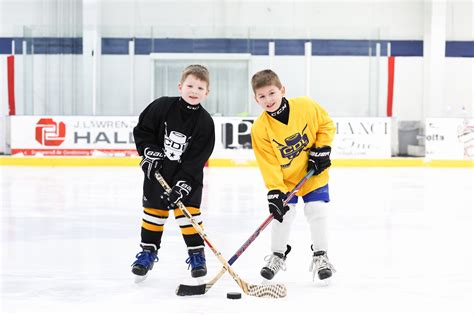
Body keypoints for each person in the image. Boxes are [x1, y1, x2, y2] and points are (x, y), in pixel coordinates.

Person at [131, 64, 215, 281]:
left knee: (188, 215)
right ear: (180, 86)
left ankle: (197, 254)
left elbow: (198, 157)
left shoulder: (205, 123)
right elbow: (143, 130)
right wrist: (149, 151)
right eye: (190, 85)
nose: (194, 91)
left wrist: (183, 184)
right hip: (158, 172)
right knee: (153, 213)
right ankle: (148, 252)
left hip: (188, 178)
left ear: (207, 93)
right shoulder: (162, 106)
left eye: (199, 87)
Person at [250, 69, 336, 282]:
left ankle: (321, 255)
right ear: (256, 99)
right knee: (283, 214)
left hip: (312, 172)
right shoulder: (260, 128)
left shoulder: (306, 106)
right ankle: (277, 255)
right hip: (286, 179)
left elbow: (326, 124)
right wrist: (275, 190)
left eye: (272, 93)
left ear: (282, 90)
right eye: (262, 96)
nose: (268, 99)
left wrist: (322, 148)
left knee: (317, 210)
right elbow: (268, 163)